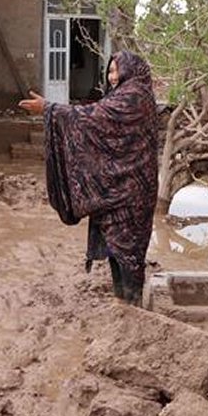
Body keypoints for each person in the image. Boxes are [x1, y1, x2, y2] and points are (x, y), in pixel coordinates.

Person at [17, 51, 159, 304]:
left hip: (133, 192)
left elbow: (92, 117)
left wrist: (48, 109)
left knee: (130, 249)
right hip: (117, 187)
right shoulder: (123, 96)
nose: (112, 77)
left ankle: (133, 304)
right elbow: (102, 128)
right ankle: (123, 303)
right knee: (116, 246)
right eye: (110, 71)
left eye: (116, 71)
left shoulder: (135, 96)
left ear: (130, 70)